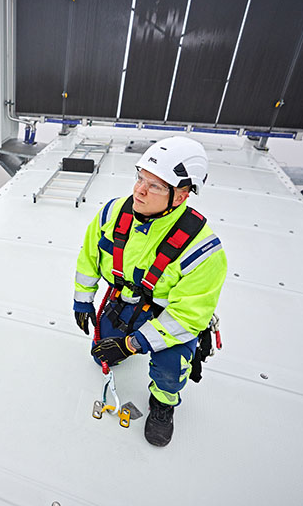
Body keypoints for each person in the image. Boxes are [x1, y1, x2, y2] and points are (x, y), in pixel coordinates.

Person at [73, 136, 227, 447]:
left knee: (172, 360)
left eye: (155, 186)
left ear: (180, 196)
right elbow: (89, 256)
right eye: (140, 178)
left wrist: (132, 344)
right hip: (125, 302)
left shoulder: (203, 250)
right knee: (99, 354)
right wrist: (83, 300)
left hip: (167, 317)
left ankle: (163, 404)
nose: (139, 190)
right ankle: (125, 335)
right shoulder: (112, 214)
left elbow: (186, 319)